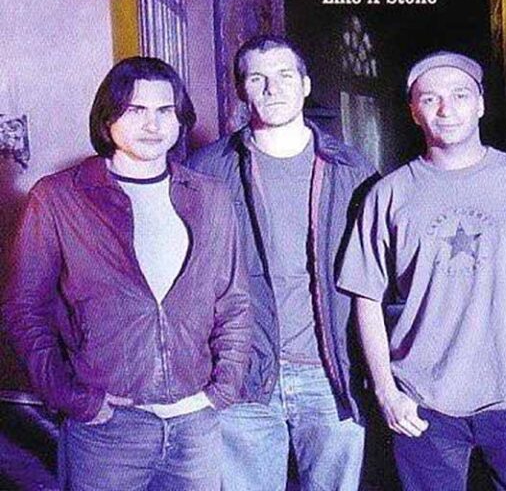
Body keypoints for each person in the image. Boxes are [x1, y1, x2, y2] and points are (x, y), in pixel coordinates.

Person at [4, 57, 253, 491]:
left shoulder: (210, 197)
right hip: (106, 429)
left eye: (165, 110)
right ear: (107, 118)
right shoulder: (60, 198)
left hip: (195, 426)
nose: (152, 124)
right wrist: (70, 397)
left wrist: (223, 388)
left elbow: (233, 302)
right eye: (136, 109)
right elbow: (24, 309)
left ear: (180, 120)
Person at [337, 51, 506, 490]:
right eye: (430, 98)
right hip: (423, 405)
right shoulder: (389, 194)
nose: (446, 109)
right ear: (413, 112)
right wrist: (387, 393)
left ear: (480, 104)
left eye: (460, 95)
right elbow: (365, 298)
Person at [187, 35, 376, 490]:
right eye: (258, 78)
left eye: (284, 75)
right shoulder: (205, 170)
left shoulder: (353, 169)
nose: (272, 88)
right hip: (242, 373)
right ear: (241, 90)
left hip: (331, 374)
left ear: (305, 85)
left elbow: (376, 278)